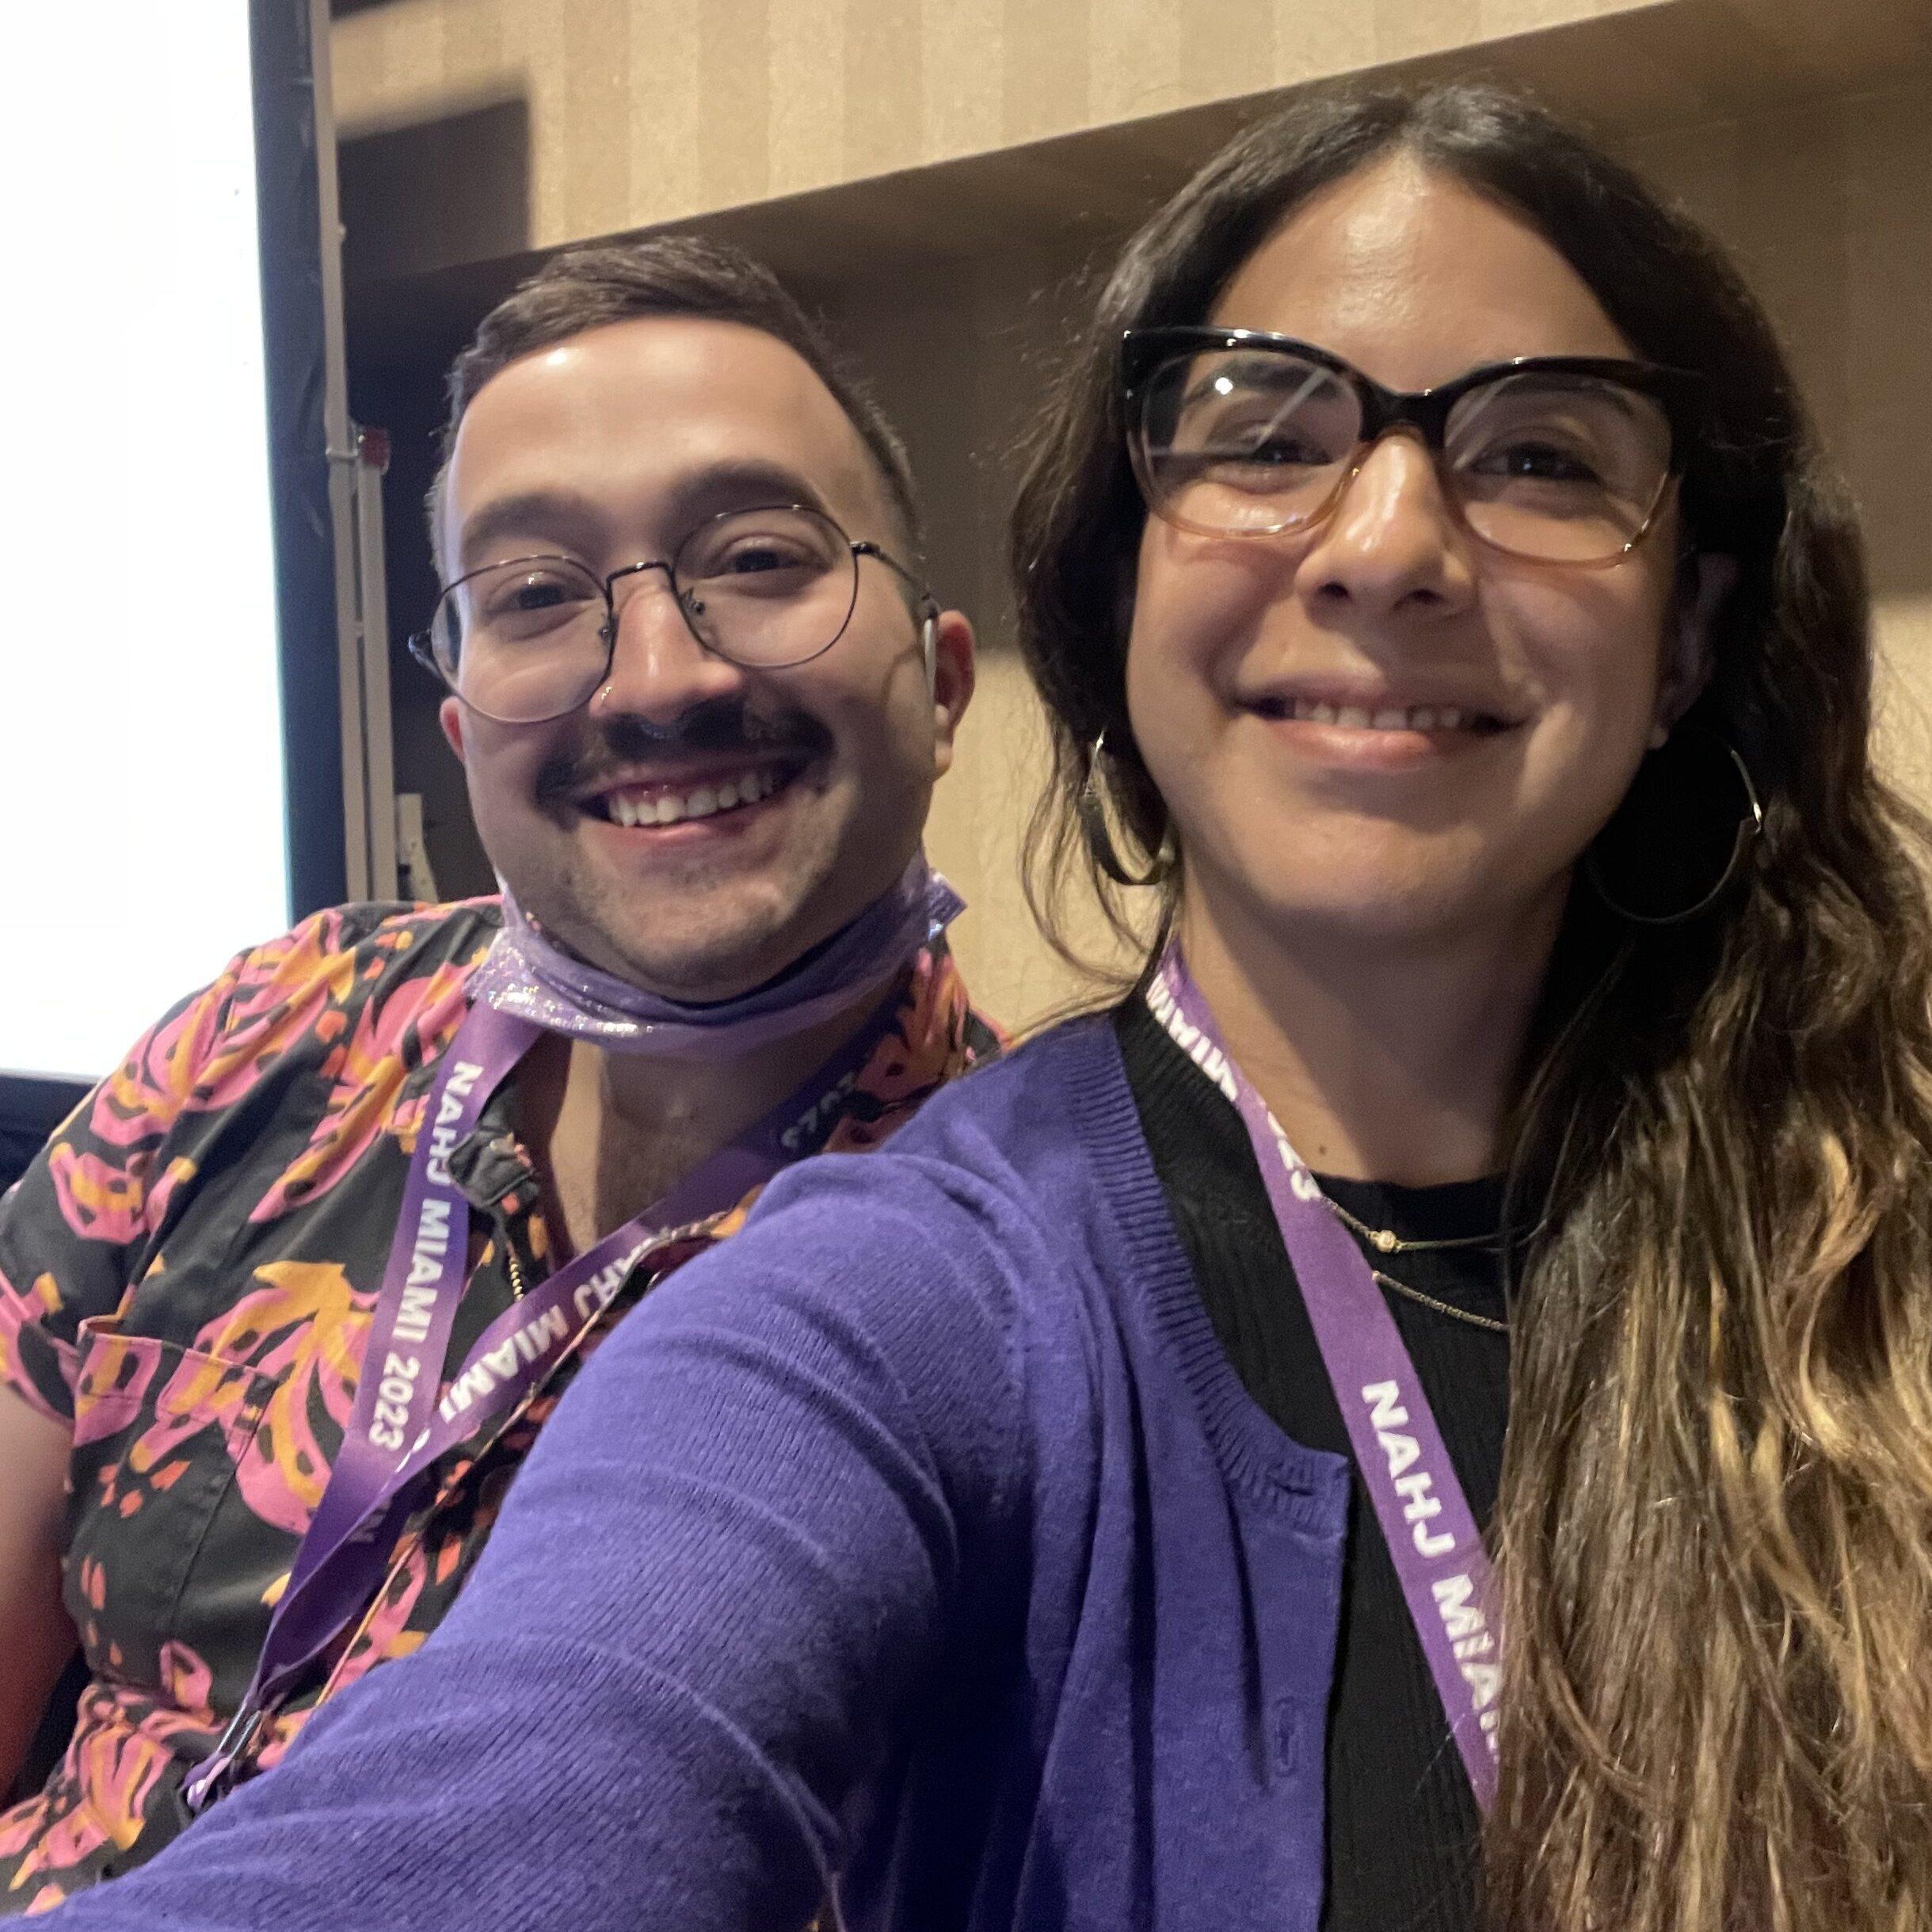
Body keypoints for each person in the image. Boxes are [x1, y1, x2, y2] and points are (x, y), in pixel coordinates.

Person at [34, 78, 1932, 1932]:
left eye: (1537, 454)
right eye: (1266, 436)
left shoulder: (1864, 1210)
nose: (654, 671)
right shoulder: (290, 1036)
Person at [0, 234, 992, 1911]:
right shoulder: (278, 1024)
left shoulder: (1011, 1251)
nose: (661, 674)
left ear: (943, 680)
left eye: (752, 556)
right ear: (464, 730)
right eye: (535, 595)